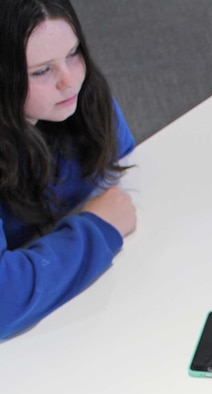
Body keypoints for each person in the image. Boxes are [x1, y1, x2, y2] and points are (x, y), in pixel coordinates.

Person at [0, 0, 137, 339]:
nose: (70, 80)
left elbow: (119, 170)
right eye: (41, 71)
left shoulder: (75, 100)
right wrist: (96, 229)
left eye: (74, 52)